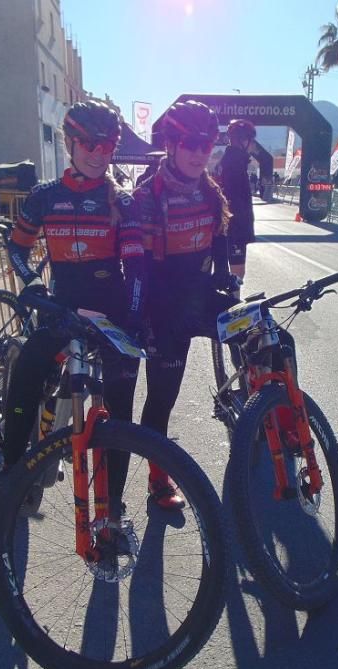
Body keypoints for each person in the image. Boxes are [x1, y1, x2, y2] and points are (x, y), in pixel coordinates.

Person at [0, 100, 146, 519]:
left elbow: (136, 267)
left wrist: (133, 318)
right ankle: (12, 468)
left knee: (121, 405)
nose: (99, 154)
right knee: (29, 370)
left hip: (110, 312)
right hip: (61, 309)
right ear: (70, 143)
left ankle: (113, 505)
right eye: (90, 144)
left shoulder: (123, 201)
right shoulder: (45, 197)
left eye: (109, 146)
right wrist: (30, 282)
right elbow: (17, 248)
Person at [122, 100, 240, 507]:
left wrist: (226, 273)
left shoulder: (209, 190)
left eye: (206, 144)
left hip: (200, 297)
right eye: (190, 143)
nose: (198, 152)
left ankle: (260, 418)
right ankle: (158, 481)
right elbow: (142, 270)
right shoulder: (148, 197)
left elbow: (221, 233)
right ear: (171, 143)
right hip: (165, 309)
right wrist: (147, 319)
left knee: (263, 333)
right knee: (162, 398)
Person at [218, 118, 257, 284]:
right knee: (237, 275)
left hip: (229, 228)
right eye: (252, 140)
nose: (253, 145)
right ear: (244, 140)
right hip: (234, 229)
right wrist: (242, 230)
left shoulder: (232, 161)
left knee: (231, 274)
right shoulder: (234, 164)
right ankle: (233, 307)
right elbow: (234, 201)